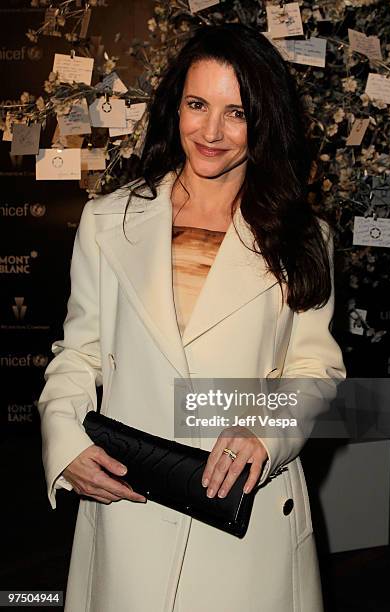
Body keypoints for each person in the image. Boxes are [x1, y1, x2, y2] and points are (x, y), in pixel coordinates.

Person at [38, 23, 346, 612]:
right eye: (198, 104)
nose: (211, 132)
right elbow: (78, 351)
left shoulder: (304, 237)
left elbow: (316, 369)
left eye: (236, 112)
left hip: (245, 510)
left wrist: (266, 428)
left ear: (265, 119)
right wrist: (64, 440)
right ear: (174, 105)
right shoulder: (109, 220)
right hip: (132, 498)